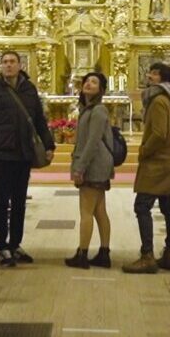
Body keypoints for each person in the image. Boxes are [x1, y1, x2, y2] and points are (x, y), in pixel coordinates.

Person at [0, 51, 55, 267]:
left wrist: (49, 145)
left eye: (12, 62)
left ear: (20, 65)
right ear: (0, 66)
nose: (8, 66)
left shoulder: (29, 89)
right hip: (1, 154)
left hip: (23, 153)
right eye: (5, 62)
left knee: (19, 202)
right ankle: (2, 247)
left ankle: (15, 244)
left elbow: (39, 120)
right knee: (2, 203)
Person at [123, 62, 170, 273]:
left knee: (142, 206)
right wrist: (169, 149)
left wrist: (144, 151)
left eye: (155, 74)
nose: (149, 76)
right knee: (169, 208)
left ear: (164, 78)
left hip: (156, 164)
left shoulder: (158, 100)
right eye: (150, 72)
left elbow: (159, 134)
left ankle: (147, 256)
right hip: (167, 161)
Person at [64, 71, 114, 269]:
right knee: (99, 210)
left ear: (101, 89)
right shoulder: (88, 109)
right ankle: (104, 253)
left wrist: (79, 168)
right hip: (96, 163)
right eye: (87, 81)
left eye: (94, 82)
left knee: (86, 211)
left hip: (94, 165)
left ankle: (82, 254)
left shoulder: (98, 110)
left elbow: (92, 142)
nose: (89, 84)